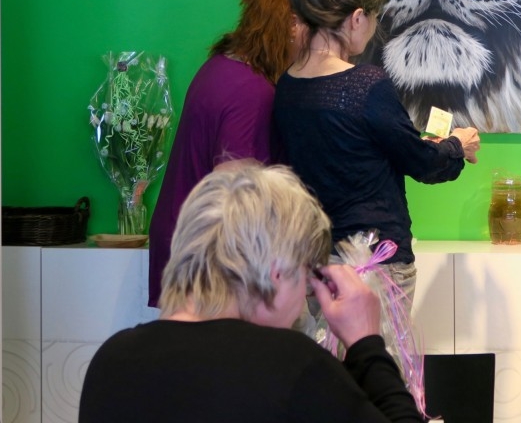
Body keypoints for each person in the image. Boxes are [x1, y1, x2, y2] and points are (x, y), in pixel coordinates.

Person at [81, 164, 423, 423]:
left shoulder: (112, 362)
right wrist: (366, 345)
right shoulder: (292, 366)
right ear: (278, 272)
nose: (302, 302)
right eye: (306, 278)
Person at [273, 0, 481, 298]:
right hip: (374, 264)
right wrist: (458, 144)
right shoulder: (365, 85)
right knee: (377, 339)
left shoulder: (288, 84)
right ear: (357, 18)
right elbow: (423, 164)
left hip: (317, 261)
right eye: (374, 16)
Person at [147, 0, 302, 305]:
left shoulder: (220, 67)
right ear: (292, 26)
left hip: (186, 239)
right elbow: (234, 186)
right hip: (207, 254)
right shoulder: (252, 90)